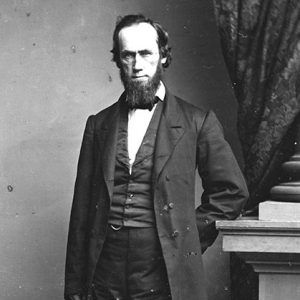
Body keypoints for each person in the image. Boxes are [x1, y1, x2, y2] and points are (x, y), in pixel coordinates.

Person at [64, 14, 249, 300]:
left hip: (163, 266)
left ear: (162, 56)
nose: (137, 65)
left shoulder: (197, 121)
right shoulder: (98, 124)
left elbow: (231, 193)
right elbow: (82, 212)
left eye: (145, 53)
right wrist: (74, 286)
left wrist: (182, 236)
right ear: (118, 61)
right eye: (128, 55)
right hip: (104, 265)